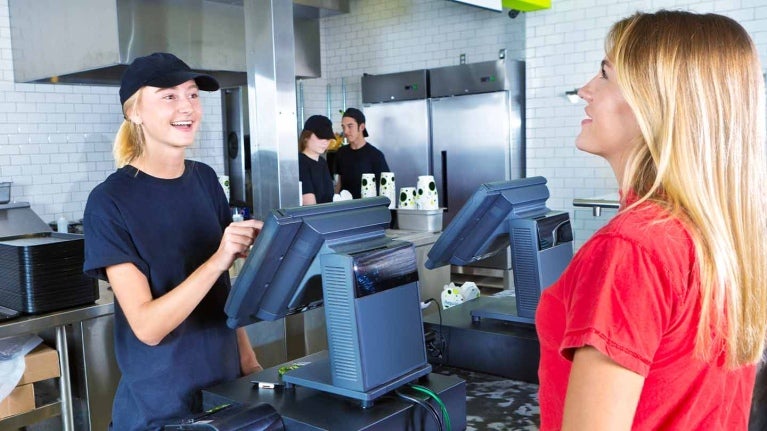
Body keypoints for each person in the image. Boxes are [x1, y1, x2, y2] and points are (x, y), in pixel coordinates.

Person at [535, 10, 767, 430]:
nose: (586, 90)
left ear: (657, 102)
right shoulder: (722, 236)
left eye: (605, 75)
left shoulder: (630, 250)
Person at [82, 52, 263, 431]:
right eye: (169, 96)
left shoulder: (205, 180)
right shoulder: (109, 201)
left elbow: (222, 293)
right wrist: (219, 258)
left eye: (193, 94)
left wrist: (250, 366)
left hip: (225, 398)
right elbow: (147, 327)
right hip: (161, 412)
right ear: (135, 112)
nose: (187, 107)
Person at [334, 107, 390, 198]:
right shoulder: (341, 153)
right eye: (343, 127)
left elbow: (385, 188)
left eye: (350, 126)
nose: (345, 132)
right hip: (345, 208)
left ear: (362, 127)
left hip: (368, 209)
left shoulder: (376, 156)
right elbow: (339, 184)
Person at [299, 115, 335, 205]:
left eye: (328, 138)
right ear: (306, 137)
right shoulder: (300, 163)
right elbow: (310, 206)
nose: (325, 142)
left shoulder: (322, 162)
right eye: (320, 137)